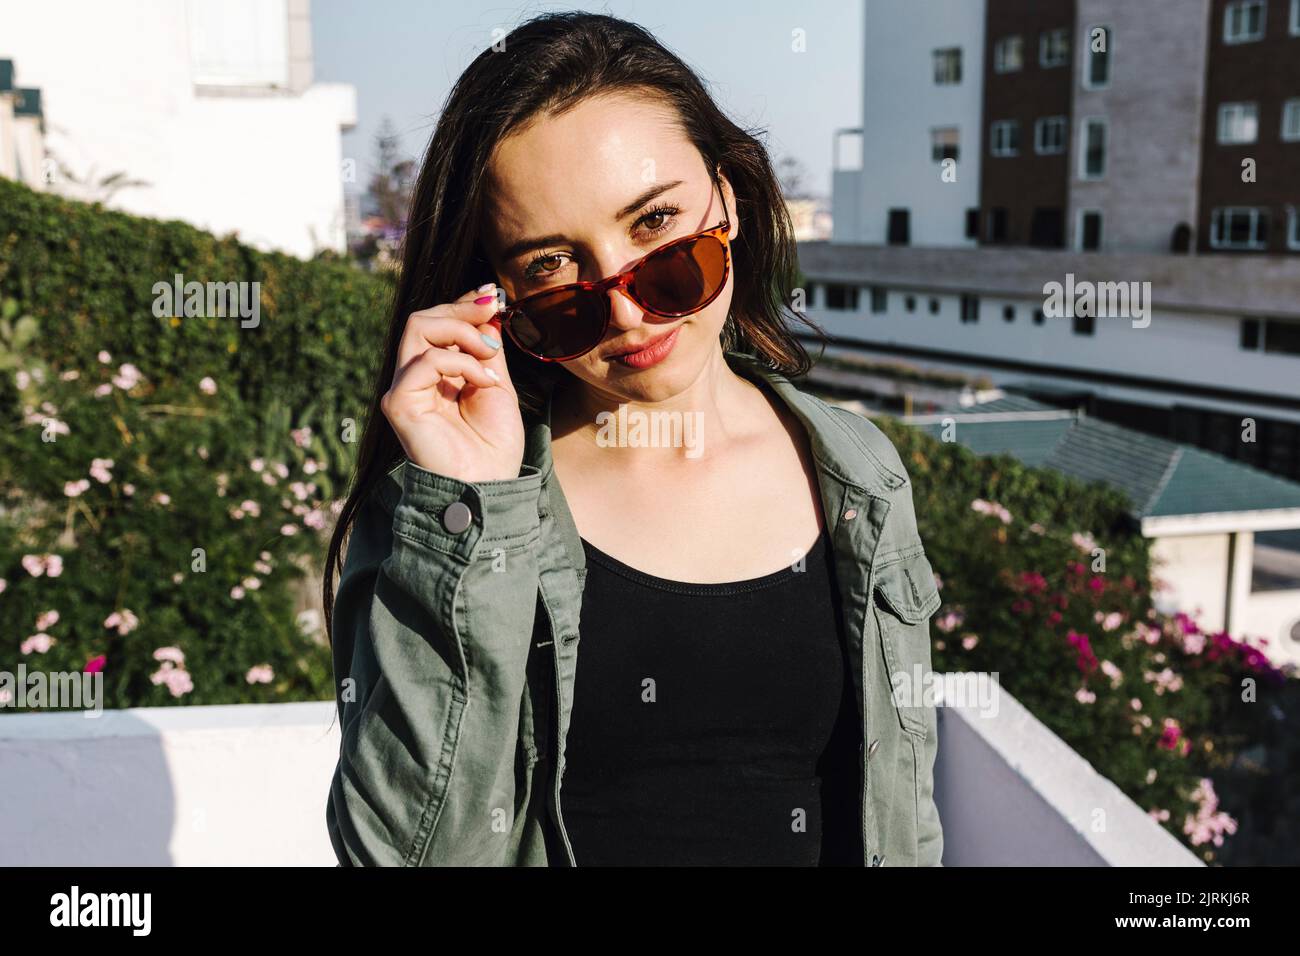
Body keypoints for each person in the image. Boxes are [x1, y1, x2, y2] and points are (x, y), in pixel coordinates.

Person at [324, 10, 943, 867]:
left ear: (727, 195)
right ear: (491, 298)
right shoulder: (448, 515)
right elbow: (405, 857)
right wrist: (472, 507)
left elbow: (904, 814)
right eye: (552, 272)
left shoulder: (861, 473)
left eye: (655, 229)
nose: (623, 309)